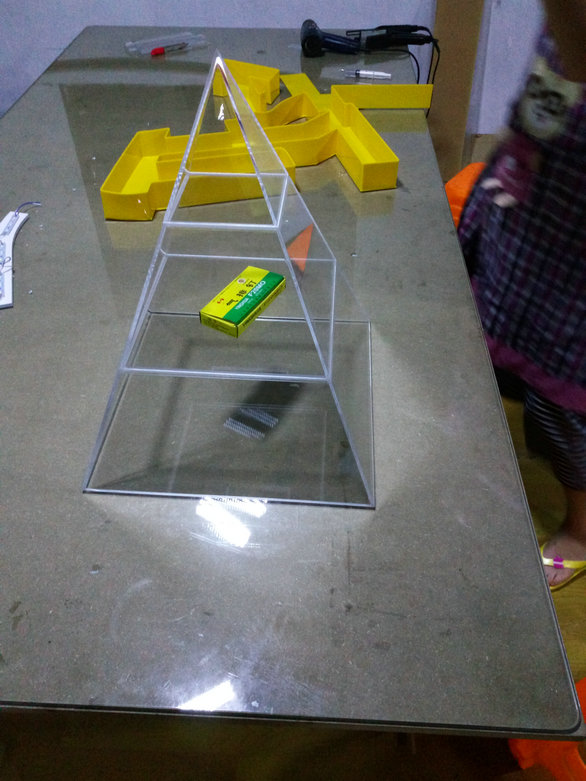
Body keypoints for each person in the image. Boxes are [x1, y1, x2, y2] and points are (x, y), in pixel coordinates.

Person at [458, 0, 586, 590]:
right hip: (530, 211)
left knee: (565, 410)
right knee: (493, 343)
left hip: (572, 270)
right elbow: (552, 80)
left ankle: (581, 530)